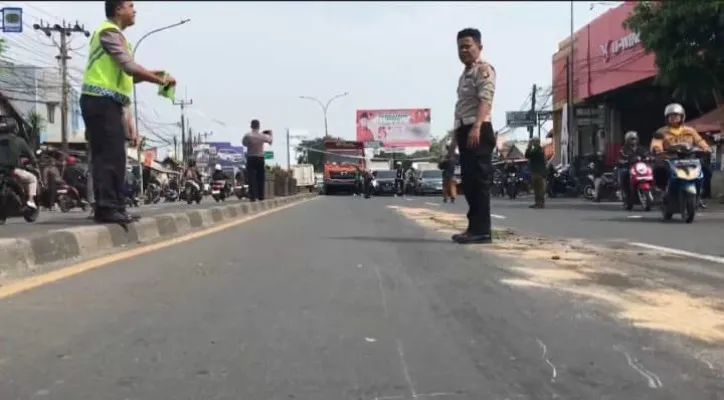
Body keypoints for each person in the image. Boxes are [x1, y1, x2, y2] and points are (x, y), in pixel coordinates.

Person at [80, 0, 176, 223]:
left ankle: (116, 206)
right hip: (99, 100)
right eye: (130, 6)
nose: (135, 11)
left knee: (116, 156)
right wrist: (159, 79)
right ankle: (106, 208)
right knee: (109, 156)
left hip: (108, 102)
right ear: (118, 10)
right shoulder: (108, 33)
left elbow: (130, 75)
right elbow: (129, 67)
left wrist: (158, 75)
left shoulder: (118, 37)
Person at [448, 27, 497, 244]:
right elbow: (460, 109)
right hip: (464, 131)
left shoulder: (483, 70)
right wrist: (453, 142)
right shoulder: (464, 75)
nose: (464, 50)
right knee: (468, 183)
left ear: (479, 47)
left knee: (478, 181)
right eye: (460, 47)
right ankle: (473, 227)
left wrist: (477, 126)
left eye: (468, 46)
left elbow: (486, 99)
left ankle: (482, 231)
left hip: (478, 130)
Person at [650, 103, 711, 207]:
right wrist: (657, 149)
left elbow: (700, 141)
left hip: (690, 158)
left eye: (676, 116)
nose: (674, 118)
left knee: (706, 170)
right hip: (670, 159)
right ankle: (662, 190)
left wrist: (706, 148)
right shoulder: (661, 131)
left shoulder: (690, 131)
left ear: (682, 117)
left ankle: (701, 194)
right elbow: (656, 143)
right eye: (671, 116)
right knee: (658, 168)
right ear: (667, 118)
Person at [0, 118, 39, 209]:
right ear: (14, 128)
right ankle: (30, 200)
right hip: (12, 170)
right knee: (33, 179)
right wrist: (34, 161)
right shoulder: (19, 140)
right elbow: (31, 156)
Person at [242, 121, 272, 202]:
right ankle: (261, 196)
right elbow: (270, 141)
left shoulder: (247, 136)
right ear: (259, 126)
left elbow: (244, 143)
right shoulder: (262, 136)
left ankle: (252, 196)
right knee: (260, 178)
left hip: (250, 158)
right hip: (260, 158)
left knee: (251, 178)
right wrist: (270, 134)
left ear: (251, 126)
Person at [525, 137, 547, 209]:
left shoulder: (537, 149)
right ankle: (539, 203)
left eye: (533, 141)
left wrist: (529, 146)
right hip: (538, 171)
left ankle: (539, 204)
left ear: (537, 142)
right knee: (538, 189)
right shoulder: (540, 149)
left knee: (538, 189)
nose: (533, 143)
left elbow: (527, 155)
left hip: (537, 172)